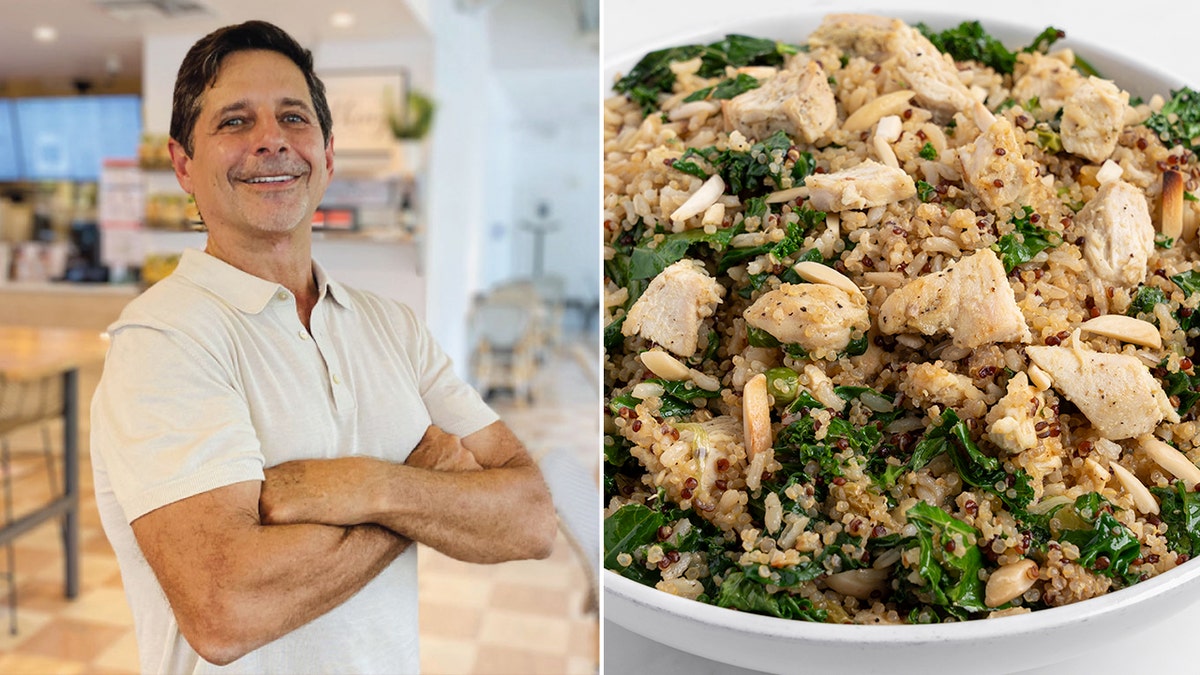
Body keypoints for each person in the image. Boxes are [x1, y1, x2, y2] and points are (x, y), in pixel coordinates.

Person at [89, 20, 557, 674]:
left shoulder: (394, 327)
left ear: (328, 154)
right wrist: (423, 482)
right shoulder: (164, 340)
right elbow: (225, 610)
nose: (271, 139)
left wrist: (366, 484)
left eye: (292, 116)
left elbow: (532, 518)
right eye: (233, 122)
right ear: (182, 165)